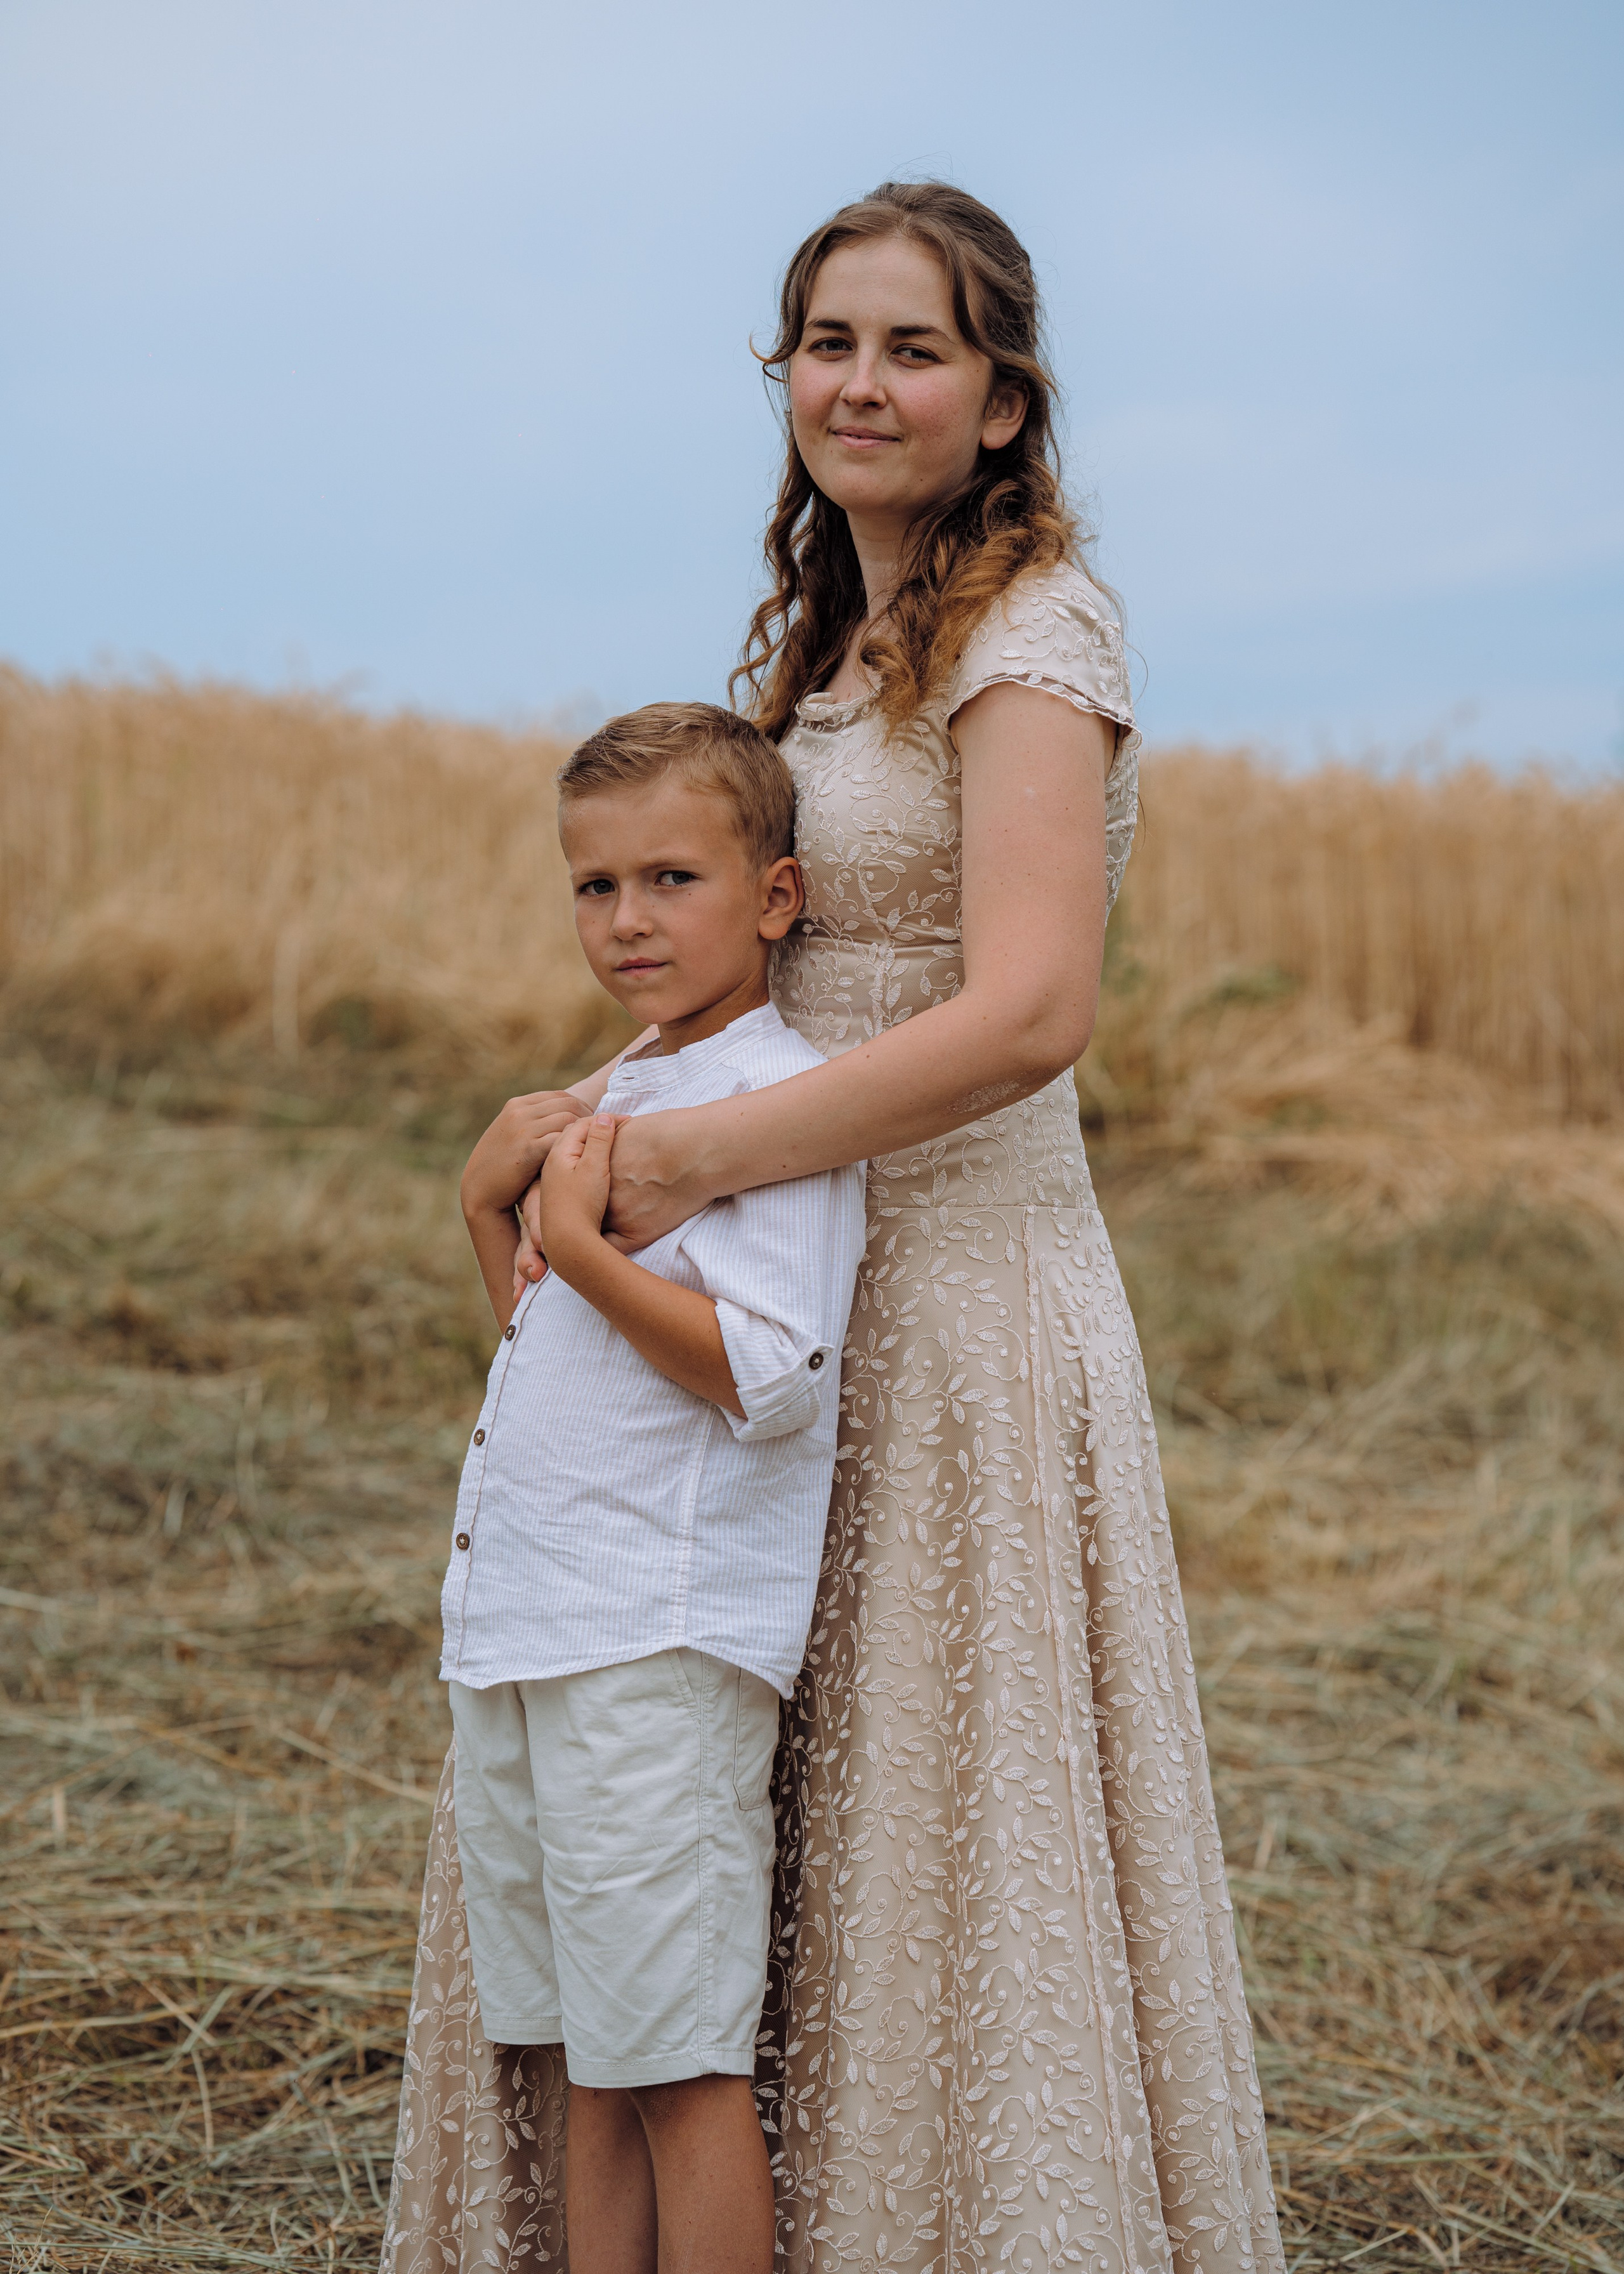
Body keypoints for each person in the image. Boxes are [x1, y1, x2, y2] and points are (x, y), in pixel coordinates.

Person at [383, 181, 1284, 2274]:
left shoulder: (1036, 628)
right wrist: (603, 1131)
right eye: (828, 341)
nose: (861, 383)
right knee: (676, 1807)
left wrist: (712, 1161)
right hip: (772, 1258)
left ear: (999, 402)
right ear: (785, 376)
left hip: (955, 1285)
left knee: (925, 1825)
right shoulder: (821, 646)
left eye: (916, 347)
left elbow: (1034, 1008)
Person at [427, 700, 866, 2274]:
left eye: (671, 878)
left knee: (679, 2067)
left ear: (774, 897)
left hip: (652, 1648)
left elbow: (765, 1375)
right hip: (533, 1629)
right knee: (580, 2063)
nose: (626, 920)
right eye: (593, 886)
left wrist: (593, 1246)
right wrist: (493, 1209)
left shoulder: (772, 1104)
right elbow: (560, 1353)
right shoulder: (619, 1083)